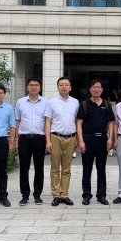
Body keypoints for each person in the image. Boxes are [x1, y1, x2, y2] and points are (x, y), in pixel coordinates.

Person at [76, 79, 115, 205]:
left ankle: (101, 195)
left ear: (102, 90)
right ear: (90, 89)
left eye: (99, 87)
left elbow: (111, 122)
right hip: (88, 139)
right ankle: (86, 195)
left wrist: (110, 138)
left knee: (101, 169)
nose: (96, 89)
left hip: (102, 139)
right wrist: (80, 141)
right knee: (87, 169)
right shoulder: (84, 104)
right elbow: (79, 123)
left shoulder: (107, 104)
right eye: (94, 87)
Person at [45, 77, 80, 207]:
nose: (64, 87)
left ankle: (64, 194)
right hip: (55, 137)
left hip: (71, 137)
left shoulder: (75, 102)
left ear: (70, 87)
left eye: (66, 85)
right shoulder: (51, 102)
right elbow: (48, 122)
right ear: (57, 87)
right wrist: (48, 141)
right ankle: (56, 195)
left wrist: (77, 139)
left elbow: (77, 121)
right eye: (61, 85)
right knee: (55, 168)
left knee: (66, 169)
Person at [15, 77, 49, 206]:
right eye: (31, 85)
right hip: (24, 138)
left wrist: (48, 140)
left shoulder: (46, 102)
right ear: (27, 87)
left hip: (40, 138)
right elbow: (17, 121)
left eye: (36, 85)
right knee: (24, 168)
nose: (33, 87)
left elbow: (48, 121)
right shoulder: (20, 102)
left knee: (39, 167)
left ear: (40, 87)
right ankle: (24, 195)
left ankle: (37, 195)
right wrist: (16, 139)